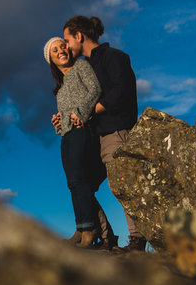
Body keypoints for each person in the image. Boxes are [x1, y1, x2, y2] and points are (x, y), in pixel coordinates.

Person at [62, 15, 144, 253]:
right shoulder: (83, 67)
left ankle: (138, 240)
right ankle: (105, 236)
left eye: (67, 40)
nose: (66, 46)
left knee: (124, 186)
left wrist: (88, 110)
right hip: (93, 137)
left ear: (79, 36)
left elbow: (120, 93)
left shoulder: (115, 57)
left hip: (115, 132)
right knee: (82, 184)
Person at [44, 36, 113, 249]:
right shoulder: (61, 86)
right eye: (55, 50)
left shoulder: (81, 65)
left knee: (80, 180)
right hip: (68, 134)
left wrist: (79, 113)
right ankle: (81, 227)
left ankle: (89, 230)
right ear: (51, 60)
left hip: (84, 130)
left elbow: (95, 90)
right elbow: (67, 115)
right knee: (73, 182)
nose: (61, 51)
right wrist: (58, 122)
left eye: (62, 46)